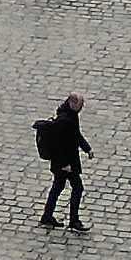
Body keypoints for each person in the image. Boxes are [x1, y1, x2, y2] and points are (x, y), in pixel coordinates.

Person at [38, 94, 95, 231]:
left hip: (67, 162)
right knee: (77, 188)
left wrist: (87, 149)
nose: (81, 108)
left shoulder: (70, 115)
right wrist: (65, 165)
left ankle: (47, 216)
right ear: (71, 103)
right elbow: (59, 145)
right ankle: (73, 220)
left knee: (58, 187)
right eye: (79, 105)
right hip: (65, 164)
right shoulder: (64, 120)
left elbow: (76, 135)